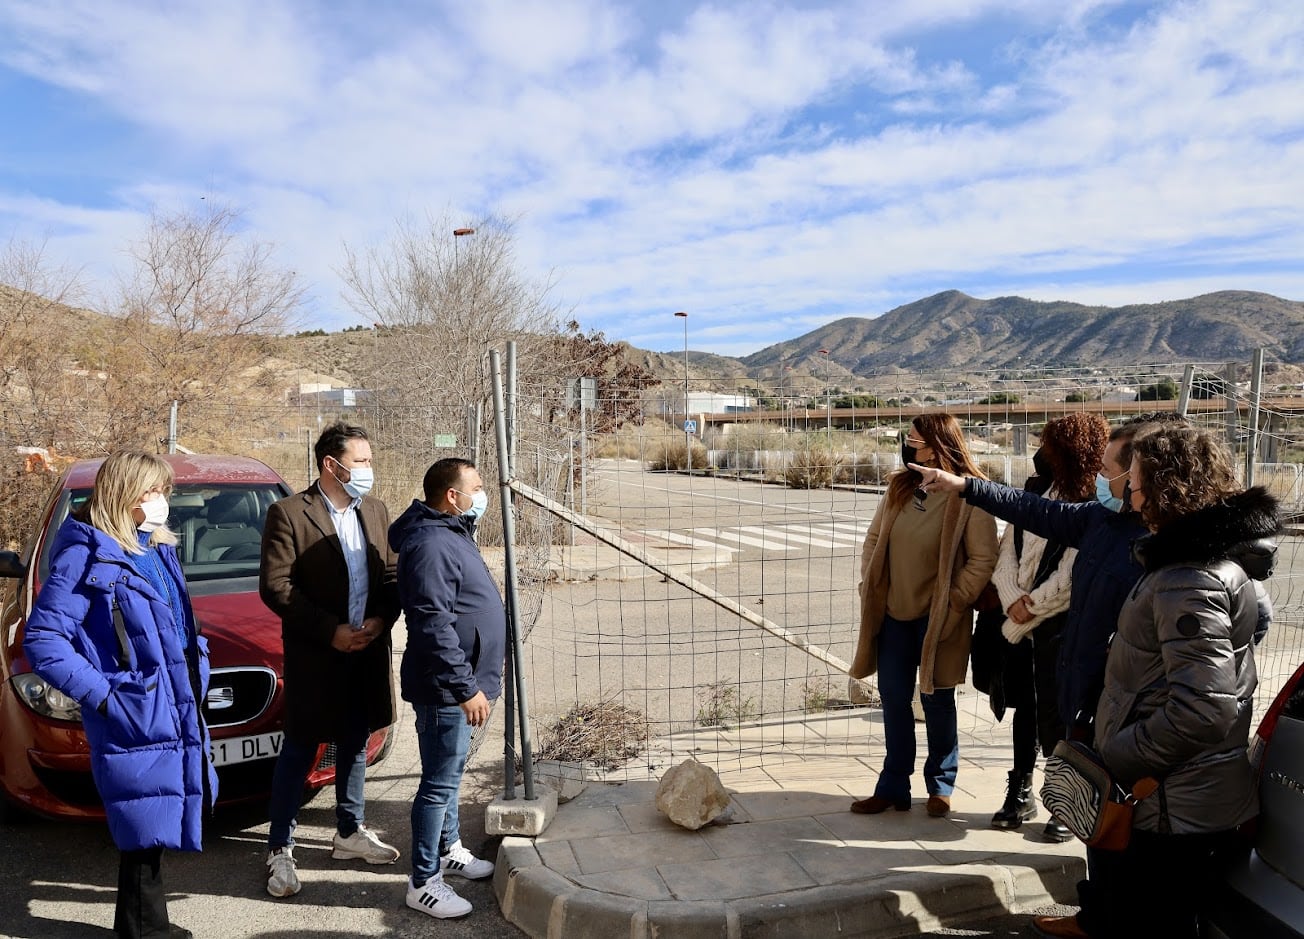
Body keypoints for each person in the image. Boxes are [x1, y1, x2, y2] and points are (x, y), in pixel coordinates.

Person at [1075, 424, 1277, 938]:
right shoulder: (1191, 564)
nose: (1129, 494)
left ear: (1165, 489)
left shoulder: (1189, 578)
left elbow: (1203, 708)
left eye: (1135, 483)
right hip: (1179, 797)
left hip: (1174, 806)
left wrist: (1120, 753)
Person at [24, 451, 215, 939]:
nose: (160, 500)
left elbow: (174, 620)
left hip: (174, 698)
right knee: (142, 821)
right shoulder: (87, 553)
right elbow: (44, 640)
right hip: (137, 705)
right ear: (121, 493)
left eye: (164, 490)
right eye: (150, 490)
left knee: (151, 823)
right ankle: (146, 932)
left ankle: (145, 926)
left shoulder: (155, 545)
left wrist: (199, 657)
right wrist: (107, 697)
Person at [258, 422, 402, 898]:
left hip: (366, 650)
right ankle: (280, 847)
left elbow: (391, 575)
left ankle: (349, 831)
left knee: (356, 741)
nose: (369, 469)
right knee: (300, 748)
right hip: (317, 654)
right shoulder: (288, 513)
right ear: (331, 464)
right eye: (361, 461)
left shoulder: (376, 511)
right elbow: (277, 586)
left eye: (369, 460)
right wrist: (330, 631)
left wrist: (380, 621)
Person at [850, 414, 998, 817]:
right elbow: (874, 538)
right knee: (894, 698)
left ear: (936, 446)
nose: (908, 445)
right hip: (893, 614)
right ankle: (893, 786)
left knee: (937, 699)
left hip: (940, 620)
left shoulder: (969, 494)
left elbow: (983, 559)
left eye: (914, 439)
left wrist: (954, 602)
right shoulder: (901, 486)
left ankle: (940, 785)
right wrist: (869, 582)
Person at [388, 457, 506, 920]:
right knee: (438, 785)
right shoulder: (432, 543)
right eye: (476, 487)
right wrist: (464, 687)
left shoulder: (452, 531)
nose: (482, 494)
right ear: (452, 496)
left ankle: (449, 848)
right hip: (447, 689)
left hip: (462, 683)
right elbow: (431, 624)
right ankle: (423, 882)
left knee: (450, 774)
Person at [983, 414, 1108, 841]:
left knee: (1061, 712)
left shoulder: (1093, 502)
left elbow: (1073, 574)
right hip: (1019, 617)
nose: (1042, 454)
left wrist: (1030, 608)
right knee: (1023, 705)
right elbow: (1007, 549)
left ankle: (1064, 799)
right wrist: (1009, 596)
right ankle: (1021, 788)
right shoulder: (1036, 490)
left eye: (1050, 447)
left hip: (1060, 625)